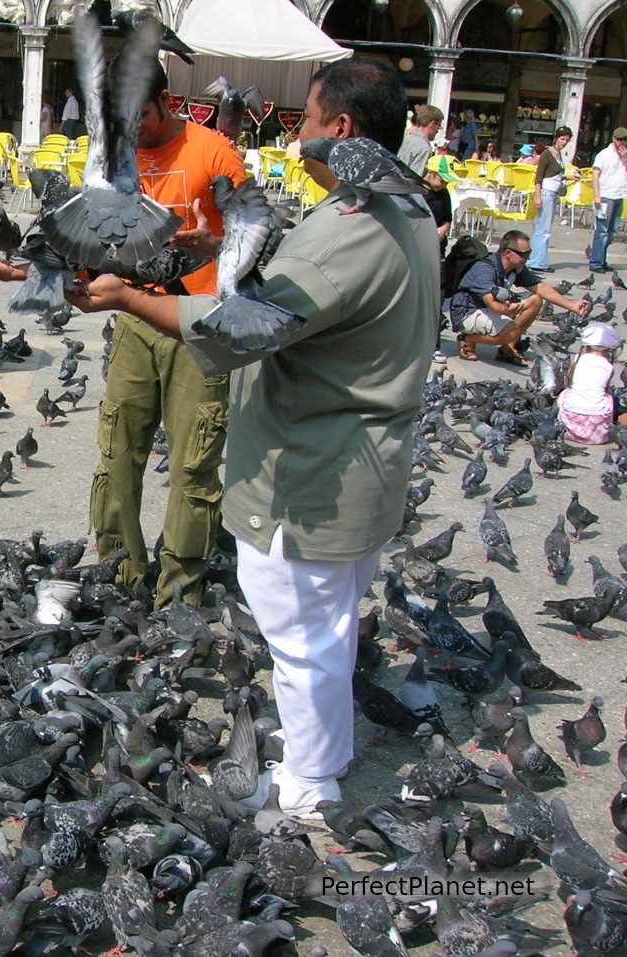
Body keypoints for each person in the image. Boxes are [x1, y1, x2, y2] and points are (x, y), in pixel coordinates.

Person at [61, 57, 440, 820]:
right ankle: (321, 752)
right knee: (328, 629)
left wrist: (128, 295)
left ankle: (311, 783)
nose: (295, 133)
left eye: (306, 119)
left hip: (311, 477)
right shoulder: (409, 209)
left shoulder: (350, 230)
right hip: (365, 468)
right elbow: (305, 289)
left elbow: (238, 329)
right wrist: (209, 254)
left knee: (302, 638)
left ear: (342, 129)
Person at [0, 57, 246, 609]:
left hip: (203, 325)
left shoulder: (215, 153)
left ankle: (178, 600)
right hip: (136, 321)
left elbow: (256, 245)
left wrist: (214, 243)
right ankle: (118, 578)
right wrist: (10, 272)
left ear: (165, 102)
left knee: (192, 468)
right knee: (117, 454)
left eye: (137, 116)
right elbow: (85, 257)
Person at [450, 230, 590, 365]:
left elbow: (541, 288)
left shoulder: (516, 267)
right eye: (523, 254)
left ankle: (506, 349)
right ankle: (468, 339)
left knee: (535, 299)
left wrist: (573, 306)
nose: (527, 258)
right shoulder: (484, 270)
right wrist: (509, 310)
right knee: (512, 332)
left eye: (529, 253)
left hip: (490, 308)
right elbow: (492, 304)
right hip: (467, 312)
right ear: (508, 253)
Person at [558, 322, 627, 444]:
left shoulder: (578, 360)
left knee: (566, 393)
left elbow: (569, 381)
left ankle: (564, 426)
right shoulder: (608, 366)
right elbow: (604, 389)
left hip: (571, 420)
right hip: (597, 430)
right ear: (610, 348)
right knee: (608, 395)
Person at [529, 125, 572, 272]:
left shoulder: (559, 155)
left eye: (567, 140)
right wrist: (538, 195)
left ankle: (538, 259)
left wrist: (568, 177)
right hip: (546, 192)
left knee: (544, 227)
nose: (564, 142)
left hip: (552, 192)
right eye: (562, 139)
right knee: (544, 228)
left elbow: (554, 174)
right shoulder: (548, 154)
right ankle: (537, 262)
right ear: (556, 139)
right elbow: (539, 176)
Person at [589, 127, 627, 273]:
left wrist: (624, 158)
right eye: (619, 140)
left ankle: (602, 259)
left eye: (625, 140)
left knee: (612, 231)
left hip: (619, 195)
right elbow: (595, 174)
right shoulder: (604, 155)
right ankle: (596, 262)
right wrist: (597, 195)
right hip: (605, 196)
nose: (622, 143)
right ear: (614, 139)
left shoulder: (624, 155)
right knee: (602, 230)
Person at [397, 104, 441, 174]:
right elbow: (415, 179)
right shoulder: (424, 148)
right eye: (439, 126)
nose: (438, 131)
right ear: (432, 124)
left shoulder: (404, 138)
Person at [423, 159, 454, 256]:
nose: (444, 185)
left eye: (447, 183)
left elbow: (448, 217)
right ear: (430, 173)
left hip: (438, 246)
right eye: (442, 181)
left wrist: (445, 228)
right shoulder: (416, 191)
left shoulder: (444, 193)